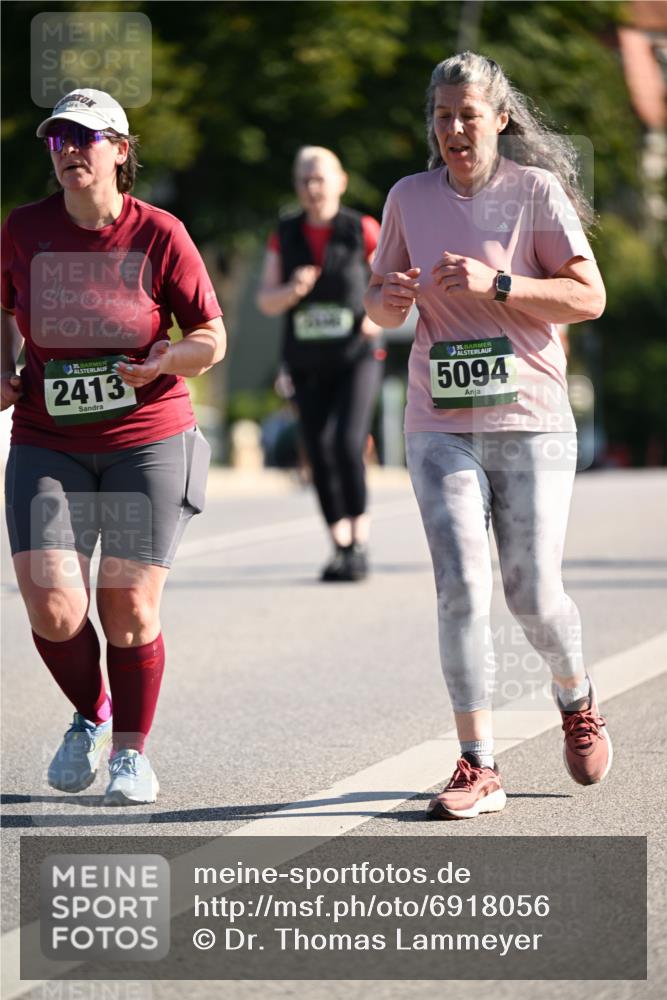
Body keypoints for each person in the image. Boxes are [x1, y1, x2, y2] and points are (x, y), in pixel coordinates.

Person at [365, 52, 611, 819]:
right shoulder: (407, 196)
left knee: (531, 592)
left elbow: (589, 297)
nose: (453, 130)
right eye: (441, 117)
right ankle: (477, 764)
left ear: (499, 117)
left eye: (467, 114)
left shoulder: (534, 193)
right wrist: (389, 294)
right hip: (440, 422)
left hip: (530, 418)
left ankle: (574, 697)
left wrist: (497, 284)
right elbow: (378, 310)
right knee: (462, 585)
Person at [1, 89, 226, 805]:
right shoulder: (25, 229)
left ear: (120, 151)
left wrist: (163, 360)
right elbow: (4, 308)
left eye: (85, 138)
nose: (69, 150)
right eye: (57, 140)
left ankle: (130, 753)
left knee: (126, 605)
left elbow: (211, 338)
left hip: (147, 439)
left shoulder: (159, 234)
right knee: (54, 606)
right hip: (47, 438)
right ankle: (90, 714)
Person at [257, 146, 384, 581]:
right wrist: (293, 290)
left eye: (319, 178)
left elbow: (394, 283)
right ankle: (340, 545)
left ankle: (360, 540)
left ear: (340, 181)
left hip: (356, 357)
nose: (312, 187)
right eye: (303, 179)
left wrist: (374, 315)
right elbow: (266, 300)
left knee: (347, 444)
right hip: (306, 361)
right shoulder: (284, 234)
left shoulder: (362, 229)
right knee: (318, 450)